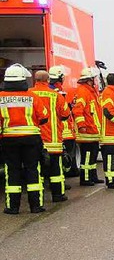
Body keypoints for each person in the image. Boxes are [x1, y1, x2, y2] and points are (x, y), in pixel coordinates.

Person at [0, 64, 49, 214]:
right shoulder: (32, 96)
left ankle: (13, 207)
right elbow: (44, 116)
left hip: (9, 140)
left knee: (12, 172)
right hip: (31, 139)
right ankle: (36, 206)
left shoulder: (1, 97)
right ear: (23, 79)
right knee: (32, 170)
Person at [31, 70, 71, 202]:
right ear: (48, 81)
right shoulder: (56, 95)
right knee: (56, 171)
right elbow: (65, 114)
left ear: (35, 80)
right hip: (53, 140)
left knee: (37, 171)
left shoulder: (29, 94)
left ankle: (39, 199)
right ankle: (58, 195)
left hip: (35, 140)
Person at [72, 67, 104, 186]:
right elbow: (77, 110)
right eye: (94, 79)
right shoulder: (83, 92)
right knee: (87, 157)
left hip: (92, 131)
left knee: (93, 156)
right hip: (86, 131)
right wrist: (81, 126)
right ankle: (85, 179)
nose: (95, 81)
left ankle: (93, 176)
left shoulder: (91, 92)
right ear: (89, 80)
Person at [49, 66, 80, 177]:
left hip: (51, 131)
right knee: (62, 159)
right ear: (60, 78)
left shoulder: (50, 91)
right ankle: (64, 175)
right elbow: (64, 113)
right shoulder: (57, 93)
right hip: (62, 132)